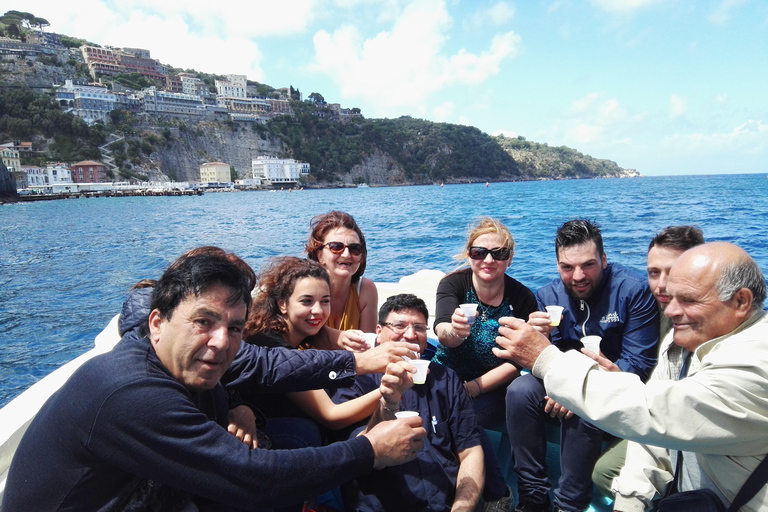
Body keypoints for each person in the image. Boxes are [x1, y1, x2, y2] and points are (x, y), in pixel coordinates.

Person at [1, 249, 426, 512]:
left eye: (235, 327)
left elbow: (270, 366)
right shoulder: (130, 391)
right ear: (157, 322)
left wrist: (358, 361)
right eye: (203, 321)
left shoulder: (186, 360)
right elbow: (255, 480)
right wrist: (369, 451)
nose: (221, 342)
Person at [493, 242, 768, 512]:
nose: (670, 311)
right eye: (671, 297)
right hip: (691, 496)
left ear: (741, 301)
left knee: (584, 410)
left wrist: (545, 358)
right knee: (520, 390)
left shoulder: (757, 362)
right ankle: (533, 497)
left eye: (688, 300)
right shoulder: (683, 341)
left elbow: (655, 412)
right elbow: (650, 446)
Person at [506, 219, 659, 512]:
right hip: (565, 381)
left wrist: (575, 389)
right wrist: (541, 339)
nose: (578, 276)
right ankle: (532, 497)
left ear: (603, 259)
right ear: (557, 265)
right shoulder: (548, 296)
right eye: (567, 267)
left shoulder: (633, 291)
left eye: (588, 265)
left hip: (616, 389)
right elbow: (552, 355)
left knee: (586, 403)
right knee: (519, 391)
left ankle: (569, 504)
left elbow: (638, 364)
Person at [333, 293, 494, 512]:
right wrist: (388, 401)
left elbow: (470, 451)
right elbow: (357, 453)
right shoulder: (355, 381)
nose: (410, 335)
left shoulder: (445, 379)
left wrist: (462, 507)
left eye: (419, 328)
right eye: (399, 326)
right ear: (379, 333)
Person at [592, 225, 704, 497]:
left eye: (674, 271)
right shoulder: (643, 304)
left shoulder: (705, 319)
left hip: (687, 420)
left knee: (606, 470)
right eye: (654, 272)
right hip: (645, 406)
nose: (661, 284)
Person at [433, 217, 538, 432]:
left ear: (510, 259)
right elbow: (442, 331)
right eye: (479, 252)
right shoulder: (452, 284)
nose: (488, 260)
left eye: (499, 253)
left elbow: (516, 362)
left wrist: (473, 388)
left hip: (492, 386)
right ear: (469, 256)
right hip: (445, 375)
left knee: (462, 420)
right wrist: (455, 332)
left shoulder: (522, 297)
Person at [306, 210, 378, 336]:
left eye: (355, 248)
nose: (346, 255)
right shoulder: (305, 289)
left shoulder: (366, 290)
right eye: (336, 247)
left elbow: (366, 347)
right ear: (320, 255)